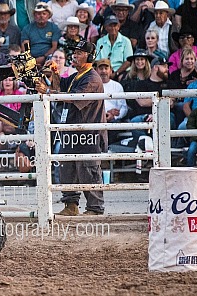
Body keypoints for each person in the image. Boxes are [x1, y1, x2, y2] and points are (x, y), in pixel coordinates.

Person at [35, 40, 106, 216]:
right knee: (67, 168)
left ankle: (95, 208)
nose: (75, 55)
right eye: (75, 52)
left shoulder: (92, 79)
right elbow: (61, 88)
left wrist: (48, 92)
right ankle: (71, 205)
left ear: (89, 57)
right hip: (72, 130)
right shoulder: (77, 76)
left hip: (89, 133)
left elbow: (72, 97)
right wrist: (55, 73)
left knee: (88, 169)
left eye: (80, 53)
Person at [95, 58, 127, 144]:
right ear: (96, 71)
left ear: (111, 70)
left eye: (106, 68)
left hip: (113, 120)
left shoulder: (117, 86)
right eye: (101, 69)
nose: (103, 71)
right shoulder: (92, 86)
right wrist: (104, 114)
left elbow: (124, 108)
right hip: (96, 119)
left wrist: (114, 116)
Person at [95, 15, 133, 79]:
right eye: (110, 26)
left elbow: (128, 61)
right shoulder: (100, 41)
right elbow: (97, 60)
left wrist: (116, 73)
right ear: (106, 27)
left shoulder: (126, 41)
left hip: (120, 72)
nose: (113, 28)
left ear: (118, 27)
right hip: (104, 71)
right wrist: (105, 71)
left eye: (115, 25)